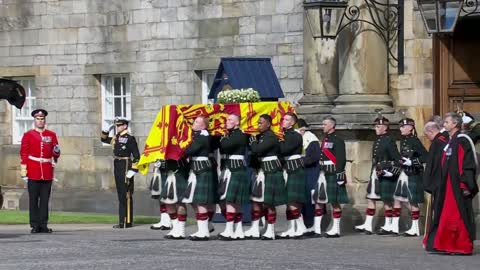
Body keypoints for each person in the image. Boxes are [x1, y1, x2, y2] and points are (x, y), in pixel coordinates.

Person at [424, 112, 478, 255]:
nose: (444, 124)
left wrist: (465, 185)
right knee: (446, 216)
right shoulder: (450, 141)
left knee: (457, 216)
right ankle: (446, 245)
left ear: (455, 124)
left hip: (456, 186)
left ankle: (461, 246)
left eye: (447, 122)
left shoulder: (462, 140)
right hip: (446, 186)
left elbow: (465, 165)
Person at [355, 115, 401, 235]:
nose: (375, 128)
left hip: (385, 173)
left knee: (387, 200)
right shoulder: (378, 140)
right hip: (375, 172)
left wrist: (388, 169)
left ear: (385, 128)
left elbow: (397, 159)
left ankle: (388, 224)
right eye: (375, 126)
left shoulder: (389, 140)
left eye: (378, 126)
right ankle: (368, 225)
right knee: (371, 197)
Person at [245, 114, 286, 240]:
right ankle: (255, 228)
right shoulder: (262, 136)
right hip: (263, 170)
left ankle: (271, 230)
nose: (259, 125)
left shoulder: (271, 137)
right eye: (258, 122)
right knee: (256, 200)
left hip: (271, 170)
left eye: (261, 122)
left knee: (269, 202)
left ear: (268, 124)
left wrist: (252, 142)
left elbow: (258, 149)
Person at [20, 109, 60, 233]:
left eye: (42, 119)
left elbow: (55, 151)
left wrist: (56, 153)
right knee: (33, 199)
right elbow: (24, 152)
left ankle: (43, 224)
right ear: (34, 120)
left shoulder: (51, 134)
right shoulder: (28, 135)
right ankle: (34, 225)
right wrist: (24, 169)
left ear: (44, 120)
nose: (40, 121)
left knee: (44, 199)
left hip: (47, 171)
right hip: (33, 170)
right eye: (38, 119)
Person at [181, 116, 216, 241]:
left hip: (201, 170)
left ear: (203, 126)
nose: (193, 124)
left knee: (200, 201)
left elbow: (190, 150)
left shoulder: (203, 137)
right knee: (192, 200)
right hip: (195, 170)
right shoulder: (198, 135)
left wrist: (179, 146)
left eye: (196, 122)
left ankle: (204, 231)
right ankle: (203, 228)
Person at [101, 117, 140, 228]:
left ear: (125, 126)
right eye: (116, 125)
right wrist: (106, 128)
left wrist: (133, 170)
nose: (117, 127)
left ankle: (126, 221)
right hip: (117, 165)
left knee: (126, 194)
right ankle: (122, 221)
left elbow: (137, 156)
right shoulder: (116, 137)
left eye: (119, 125)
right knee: (120, 194)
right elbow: (103, 139)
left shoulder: (130, 138)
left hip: (126, 165)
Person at [392, 116, 428, 236]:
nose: (401, 129)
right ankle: (394, 226)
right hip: (404, 172)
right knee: (397, 198)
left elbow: (426, 156)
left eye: (403, 126)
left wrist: (412, 162)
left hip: (413, 173)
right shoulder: (404, 140)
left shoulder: (414, 141)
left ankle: (415, 228)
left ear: (410, 127)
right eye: (400, 126)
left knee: (412, 201)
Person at [217, 114, 249, 240]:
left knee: (231, 200)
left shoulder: (239, 135)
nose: (226, 121)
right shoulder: (231, 134)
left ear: (237, 123)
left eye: (230, 120)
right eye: (226, 119)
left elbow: (225, 146)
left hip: (235, 170)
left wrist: (223, 137)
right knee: (228, 200)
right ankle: (239, 229)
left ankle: (229, 230)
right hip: (229, 169)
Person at [316, 116, 349, 238]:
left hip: (333, 173)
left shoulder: (338, 140)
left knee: (334, 202)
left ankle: (336, 229)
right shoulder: (325, 139)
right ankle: (317, 228)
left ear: (331, 125)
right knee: (321, 200)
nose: (322, 126)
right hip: (324, 173)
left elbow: (341, 159)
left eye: (324, 124)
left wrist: (340, 175)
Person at [278, 113, 307, 239]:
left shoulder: (295, 135)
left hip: (294, 168)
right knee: (288, 199)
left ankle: (300, 227)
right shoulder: (284, 135)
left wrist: (276, 142)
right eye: (283, 119)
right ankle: (291, 227)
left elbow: (285, 149)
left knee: (293, 199)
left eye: (287, 119)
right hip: (287, 167)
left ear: (292, 122)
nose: (284, 121)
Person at [422, 121, 448, 249]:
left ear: (431, 131)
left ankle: (435, 241)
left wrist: (428, 184)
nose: (428, 138)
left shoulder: (437, 143)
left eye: (427, 135)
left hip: (438, 183)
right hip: (444, 182)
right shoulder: (446, 139)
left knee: (438, 212)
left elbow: (433, 166)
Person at [297, 119, 321, 235]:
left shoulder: (311, 139)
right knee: (302, 198)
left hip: (311, 172)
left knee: (311, 198)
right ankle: (305, 224)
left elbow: (314, 157)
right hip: (302, 172)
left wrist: (300, 161)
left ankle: (311, 225)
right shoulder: (299, 139)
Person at [161, 158, 190, 240]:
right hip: (169, 174)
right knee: (168, 202)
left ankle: (181, 230)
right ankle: (176, 228)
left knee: (180, 202)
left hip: (179, 173)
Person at [149, 161, 172, 231]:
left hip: (168, 171)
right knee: (160, 196)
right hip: (159, 171)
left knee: (166, 197)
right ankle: (163, 221)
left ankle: (168, 221)